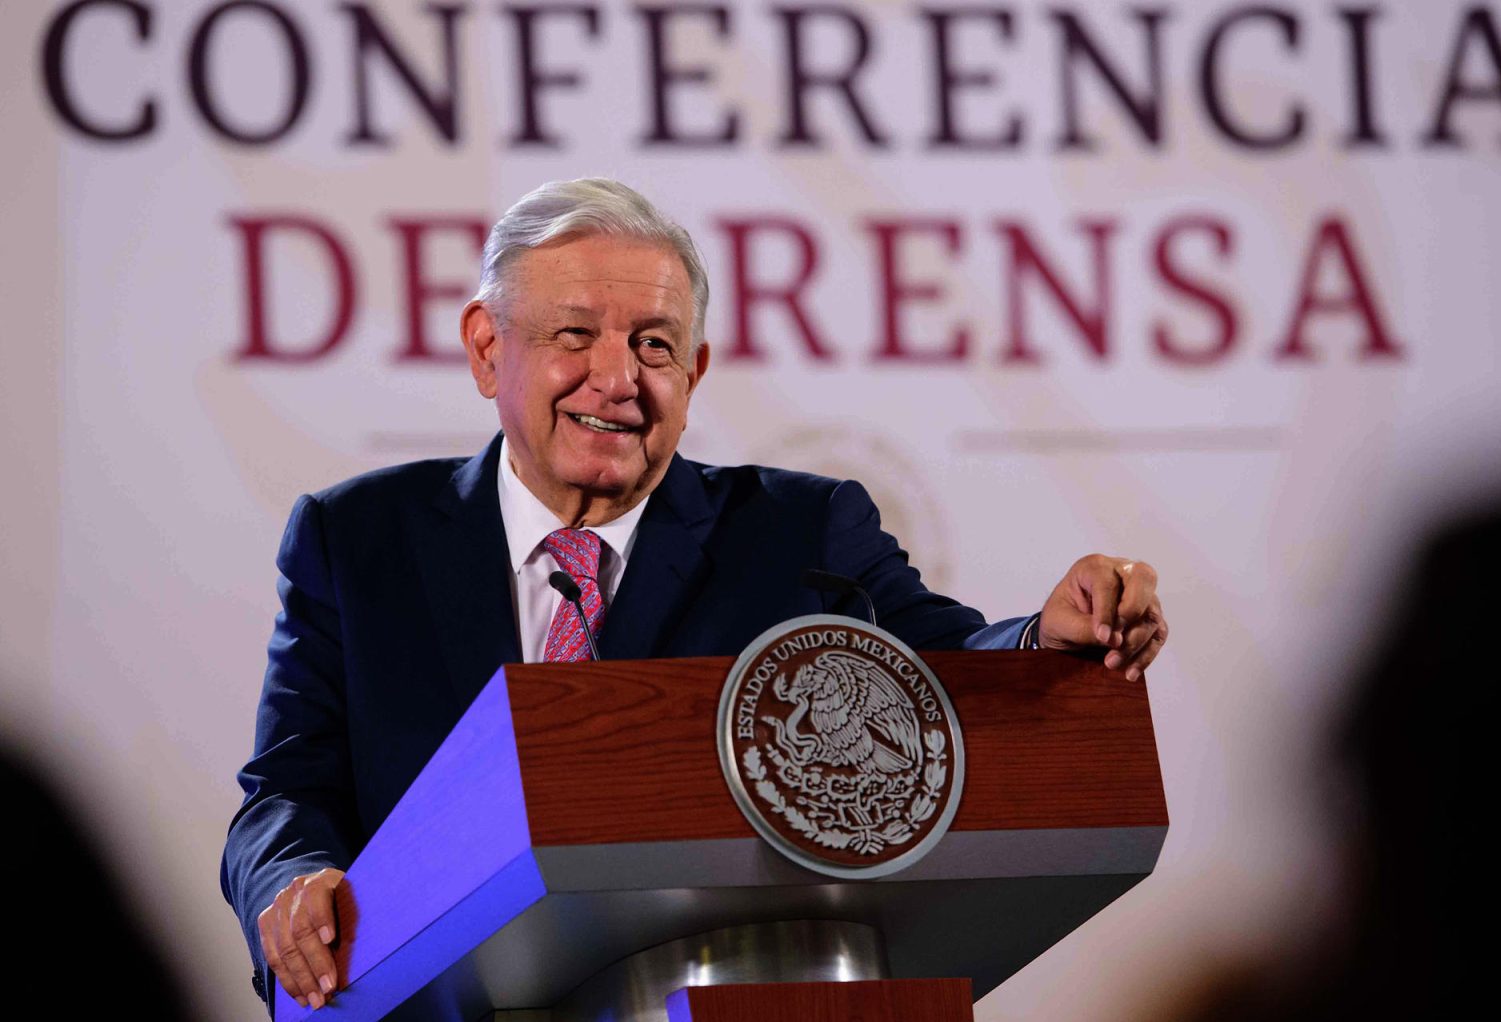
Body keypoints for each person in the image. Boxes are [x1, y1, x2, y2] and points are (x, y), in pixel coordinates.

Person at [220, 178, 1170, 1012]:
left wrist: (1049, 639)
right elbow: (287, 789)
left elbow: (941, 670)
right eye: (575, 336)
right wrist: (293, 879)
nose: (619, 378)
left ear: (696, 372)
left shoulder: (802, 533)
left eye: (655, 345)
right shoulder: (356, 540)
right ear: (485, 347)